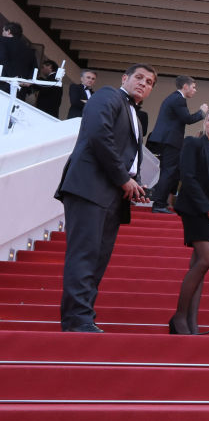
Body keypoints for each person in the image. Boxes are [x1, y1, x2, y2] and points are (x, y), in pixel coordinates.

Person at [53, 64, 157, 332]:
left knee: (97, 258)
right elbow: (100, 135)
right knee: (85, 255)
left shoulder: (134, 112)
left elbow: (125, 152)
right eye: (139, 78)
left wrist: (136, 184)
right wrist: (124, 178)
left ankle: (83, 317)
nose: (144, 83)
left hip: (112, 192)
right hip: (90, 187)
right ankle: (77, 320)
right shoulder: (108, 95)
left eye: (149, 82)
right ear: (125, 78)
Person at [170, 107, 209, 335]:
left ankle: (191, 322)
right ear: (204, 123)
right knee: (208, 259)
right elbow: (187, 177)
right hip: (196, 210)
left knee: (199, 264)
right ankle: (179, 317)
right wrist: (208, 210)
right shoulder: (193, 144)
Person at [147, 75, 207, 214]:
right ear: (185, 86)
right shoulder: (178, 99)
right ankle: (159, 204)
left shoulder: (174, 98)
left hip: (167, 139)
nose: (195, 90)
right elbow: (188, 119)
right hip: (170, 140)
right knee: (169, 172)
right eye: (193, 87)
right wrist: (201, 112)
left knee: (168, 171)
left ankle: (160, 202)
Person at [0, 22, 37, 87]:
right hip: (21, 87)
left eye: (3, 30)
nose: (2, 33)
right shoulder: (28, 49)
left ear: (8, 31)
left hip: (3, 83)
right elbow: (35, 68)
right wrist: (29, 81)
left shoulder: (2, 41)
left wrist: (12, 76)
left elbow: (2, 58)